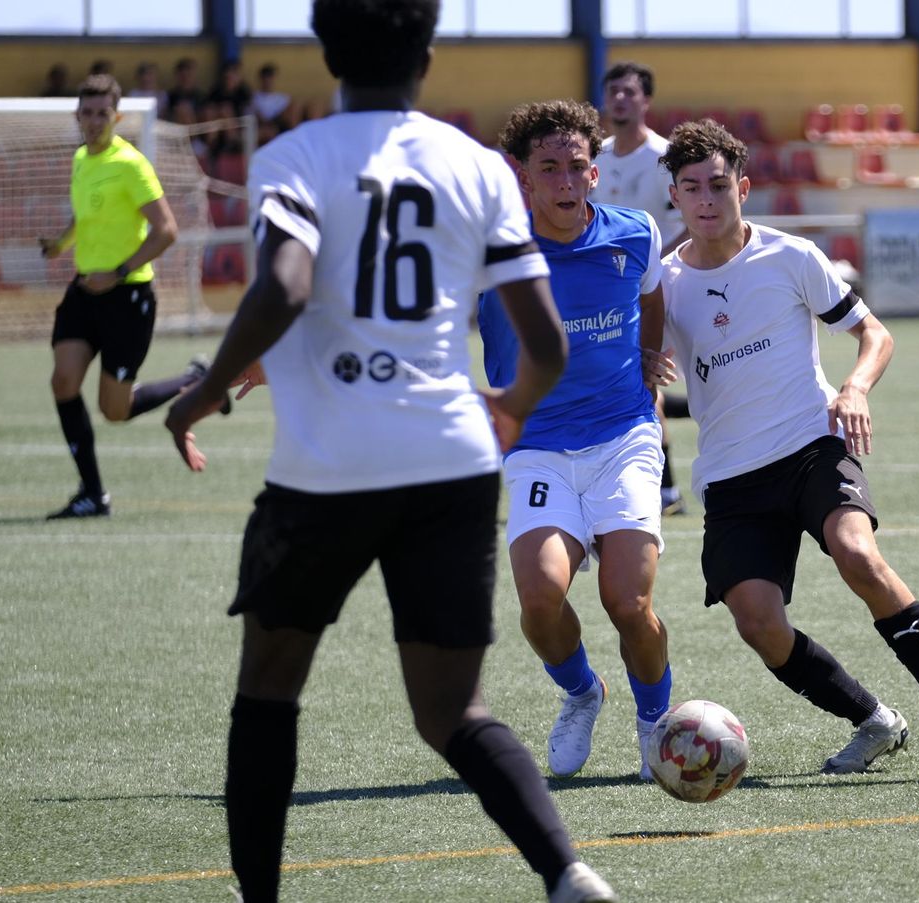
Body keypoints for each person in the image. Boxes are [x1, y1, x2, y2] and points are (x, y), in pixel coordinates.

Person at [160, 2, 617, 901]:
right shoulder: (477, 166)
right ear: (429, 56)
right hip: (449, 463)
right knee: (453, 710)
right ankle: (567, 871)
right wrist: (509, 409)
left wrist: (206, 389)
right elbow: (547, 345)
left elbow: (283, 285)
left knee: (269, 688)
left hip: (326, 470)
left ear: (327, 52)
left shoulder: (294, 157)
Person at [657, 119, 919, 775]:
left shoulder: (792, 257)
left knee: (857, 553)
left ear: (743, 188)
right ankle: (874, 720)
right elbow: (648, 369)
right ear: (674, 196)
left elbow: (875, 335)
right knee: (758, 624)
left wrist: (856, 387)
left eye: (719, 185)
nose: (706, 199)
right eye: (691, 187)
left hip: (811, 445)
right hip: (731, 476)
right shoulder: (665, 284)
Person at [479, 99, 673, 781]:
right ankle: (583, 691)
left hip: (623, 437)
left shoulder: (636, 232)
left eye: (577, 166)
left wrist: (648, 359)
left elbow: (652, 297)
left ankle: (655, 723)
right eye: (548, 168)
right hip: (537, 447)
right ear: (524, 176)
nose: (564, 180)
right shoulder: (493, 253)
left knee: (628, 601)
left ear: (595, 173)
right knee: (539, 600)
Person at [37, 73, 215, 520]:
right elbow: (83, 217)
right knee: (63, 382)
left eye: (103, 113)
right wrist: (60, 244)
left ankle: (195, 378)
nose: (94, 121)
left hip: (127, 298)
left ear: (116, 118)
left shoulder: (131, 164)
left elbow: (167, 230)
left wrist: (118, 273)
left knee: (114, 410)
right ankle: (92, 494)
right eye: (87, 112)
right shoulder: (81, 159)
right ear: (77, 115)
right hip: (84, 292)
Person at [595, 60, 690, 516]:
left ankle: (664, 488)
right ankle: (660, 488)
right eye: (613, 90)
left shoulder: (665, 157)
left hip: (657, 288)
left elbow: (687, 222)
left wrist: (647, 265)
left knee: (644, 378)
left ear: (646, 100)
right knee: (628, 380)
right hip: (607, 291)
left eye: (629, 91)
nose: (620, 98)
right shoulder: (594, 156)